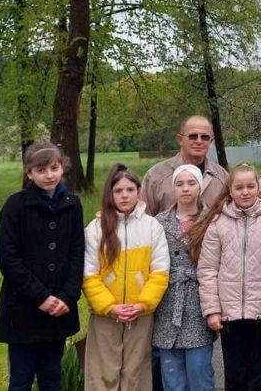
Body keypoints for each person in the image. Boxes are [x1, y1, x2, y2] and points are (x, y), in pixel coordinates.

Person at [190, 164, 261, 391]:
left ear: (258, 188)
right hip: (230, 316)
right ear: (230, 191)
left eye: (250, 186)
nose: (245, 192)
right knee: (235, 374)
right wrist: (213, 310)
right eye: (239, 187)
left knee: (260, 374)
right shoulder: (218, 223)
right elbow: (207, 269)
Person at [0, 142, 84, 391]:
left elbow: (78, 253)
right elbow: (7, 257)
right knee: (21, 379)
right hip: (23, 308)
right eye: (41, 170)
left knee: (52, 376)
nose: (49, 175)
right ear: (29, 173)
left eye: (54, 168)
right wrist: (41, 296)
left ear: (62, 168)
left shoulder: (72, 204)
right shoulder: (15, 205)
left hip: (59, 309)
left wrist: (67, 296)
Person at [83, 164, 171, 391]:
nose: (124, 195)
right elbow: (89, 275)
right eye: (118, 190)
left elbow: (160, 272)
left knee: (137, 372)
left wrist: (142, 304)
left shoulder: (152, 227)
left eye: (130, 189)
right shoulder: (95, 229)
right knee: (103, 374)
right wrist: (109, 307)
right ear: (110, 194)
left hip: (140, 314)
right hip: (105, 315)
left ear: (138, 192)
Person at [152, 165, 214, 391]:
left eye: (191, 183)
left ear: (200, 186)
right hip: (168, 303)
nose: (185, 189)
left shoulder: (212, 219)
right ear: (173, 188)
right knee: (172, 376)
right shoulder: (159, 222)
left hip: (197, 302)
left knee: (200, 372)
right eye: (180, 184)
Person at [142, 115, 231, 215]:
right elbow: (143, 220)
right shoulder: (155, 177)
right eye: (193, 136)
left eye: (204, 137)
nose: (199, 141)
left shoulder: (222, 177)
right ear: (180, 139)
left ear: (210, 142)